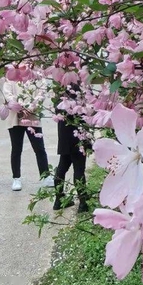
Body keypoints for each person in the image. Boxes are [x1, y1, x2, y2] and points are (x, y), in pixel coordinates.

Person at [2, 78, 54, 191]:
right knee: (16, 149)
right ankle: (16, 178)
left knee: (39, 148)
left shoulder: (37, 75)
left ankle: (45, 176)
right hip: (16, 117)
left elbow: (41, 92)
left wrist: (30, 108)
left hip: (33, 116)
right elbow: (8, 94)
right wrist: (20, 107)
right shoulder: (11, 77)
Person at [53, 85, 90, 213]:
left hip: (64, 135)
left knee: (62, 167)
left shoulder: (60, 91)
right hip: (77, 136)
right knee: (79, 169)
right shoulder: (78, 89)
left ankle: (59, 199)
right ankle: (83, 203)